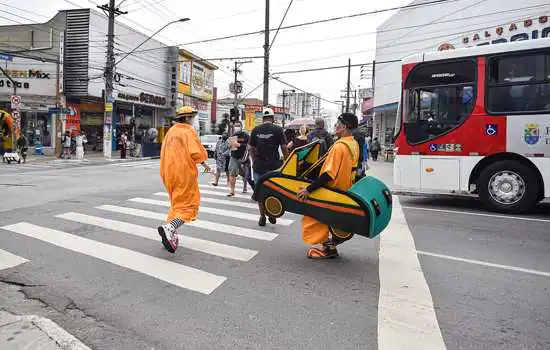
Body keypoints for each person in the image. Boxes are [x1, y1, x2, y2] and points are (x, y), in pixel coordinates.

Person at [296, 113, 360, 260]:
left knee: (312, 216)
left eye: (337, 123)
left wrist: (308, 189)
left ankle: (328, 248)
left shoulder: (339, 147)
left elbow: (328, 175)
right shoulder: (353, 144)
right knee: (328, 221)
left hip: (331, 190)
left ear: (344, 126)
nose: (335, 126)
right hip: (345, 190)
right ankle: (330, 244)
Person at [157, 106, 211, 253]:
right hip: (183, 172)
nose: (193, 120)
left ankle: (169, 235)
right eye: (192, 117)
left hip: (168, 172)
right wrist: (204, 162)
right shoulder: (187, 131)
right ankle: (170, 228)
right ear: (187, 118)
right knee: (189, 205)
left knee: (177, 204)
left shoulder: (171, 131)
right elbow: (195, 152)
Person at [249, 108, 289, 226]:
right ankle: (271, 213)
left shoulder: (255, 130)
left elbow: (250, 147)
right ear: (272, 118)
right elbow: (284, 147)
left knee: (260, 191)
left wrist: (254, 160)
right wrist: (287, 160)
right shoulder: (278, 129)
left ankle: (262, 216)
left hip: (258, 166)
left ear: (263, 118)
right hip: (274, 166)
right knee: (273, 190)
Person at [227, 121, 250, 196]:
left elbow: (249, 145)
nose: (237, 127)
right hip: (234, 156)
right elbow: (229, 146)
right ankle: (232, 191)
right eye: (236, 126)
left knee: (244, 173)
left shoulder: (246, 135)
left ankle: (245, 186)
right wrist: (229, 145)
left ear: (241, 126)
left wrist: (239, 145)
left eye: (238, 125)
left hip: (243, 157)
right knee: (232, 172)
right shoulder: (233, 135)